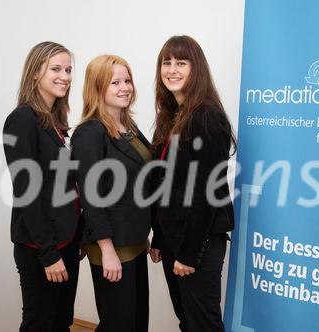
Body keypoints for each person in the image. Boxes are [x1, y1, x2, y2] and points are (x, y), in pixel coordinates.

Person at [149, 35, 236, 332]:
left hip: (199, 242)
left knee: (203, 325)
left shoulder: (206, 116)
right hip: (175, 238)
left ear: (195, 68)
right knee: (187, 321)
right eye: (166, 62)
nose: (172, 69)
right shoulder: (171, 116)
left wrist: (188, 253)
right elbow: (165, 184)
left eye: (181, 63)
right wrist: (159, 237)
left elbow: (206, 193)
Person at [3, 41, 81, 332]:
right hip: (41, 246)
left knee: (62, 322)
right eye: (56, 69)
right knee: (40, 324)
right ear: (35, 73)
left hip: (67, 241)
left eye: (69, 70)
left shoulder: (57, 124)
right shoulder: (22, 120)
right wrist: (49, 254)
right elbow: (27, 191)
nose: (65, 76)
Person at [71, 55, 152, 332]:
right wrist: (107, 251)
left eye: (127, 80)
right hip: (111, 245)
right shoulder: (90, 132)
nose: (124, 87)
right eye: (114, 82)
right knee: (118, 324)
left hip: (134, 240)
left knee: (137, 320)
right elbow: (91, 197)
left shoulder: (129, 127)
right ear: (97, 88)